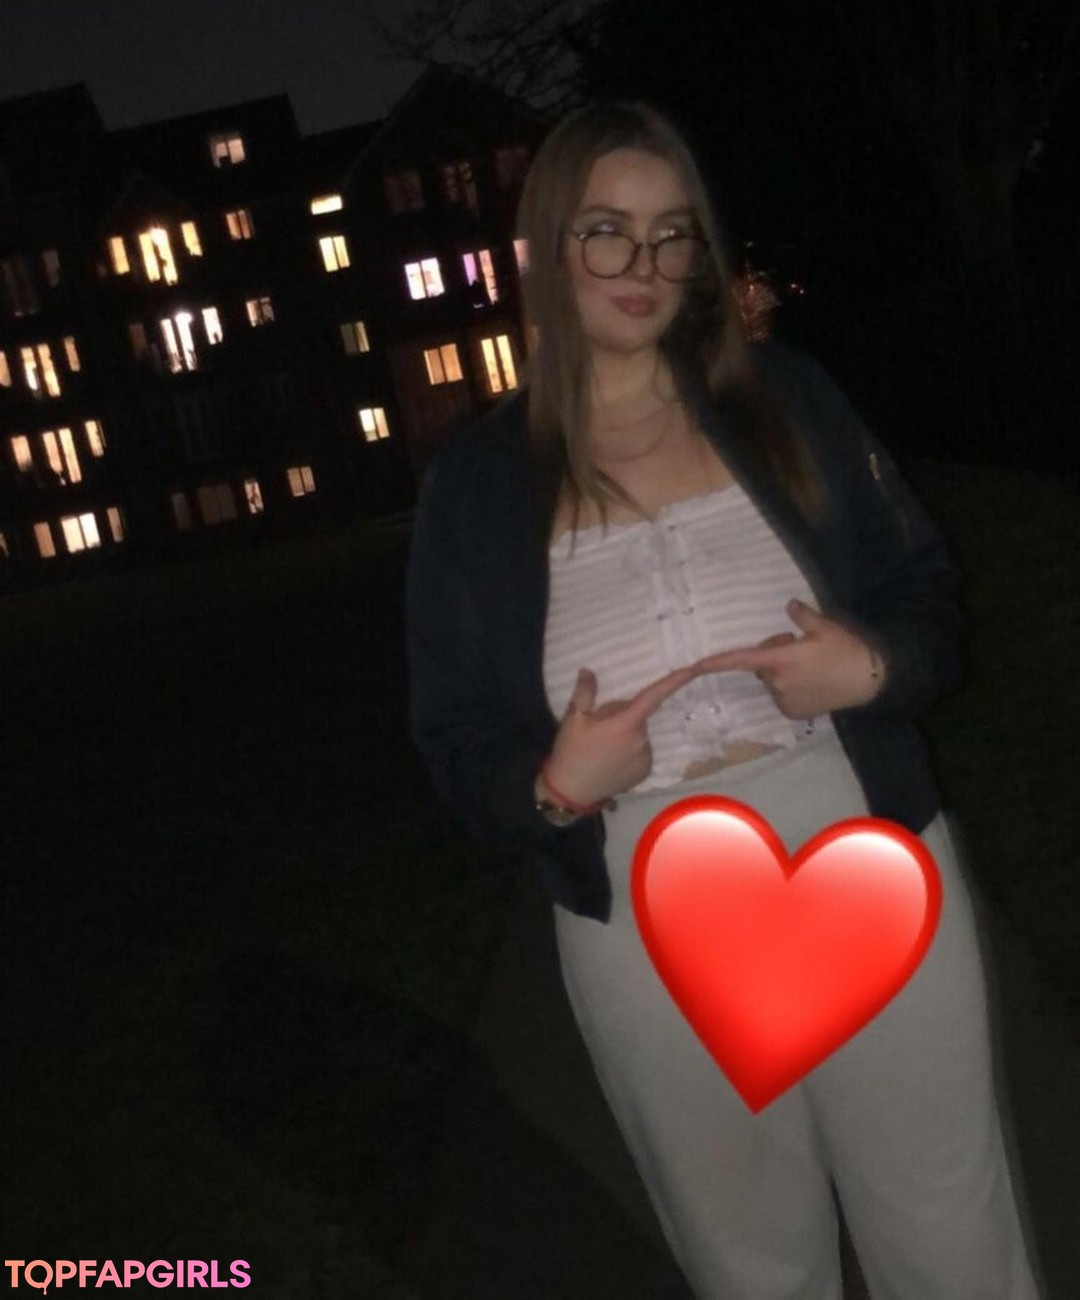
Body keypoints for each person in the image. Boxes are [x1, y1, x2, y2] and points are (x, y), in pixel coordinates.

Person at [405, 102, 1043, 1300]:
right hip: (642, 897)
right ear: (546, 243)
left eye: (671, 233)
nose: (642, 264)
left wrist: (871, 668)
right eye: (608, 229)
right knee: (752, 1258)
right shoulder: (476, 489)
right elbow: (451, 737)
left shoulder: (788, 400)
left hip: (859, 846)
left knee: (949, 1233)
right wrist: (550, 786)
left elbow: (925, 599)